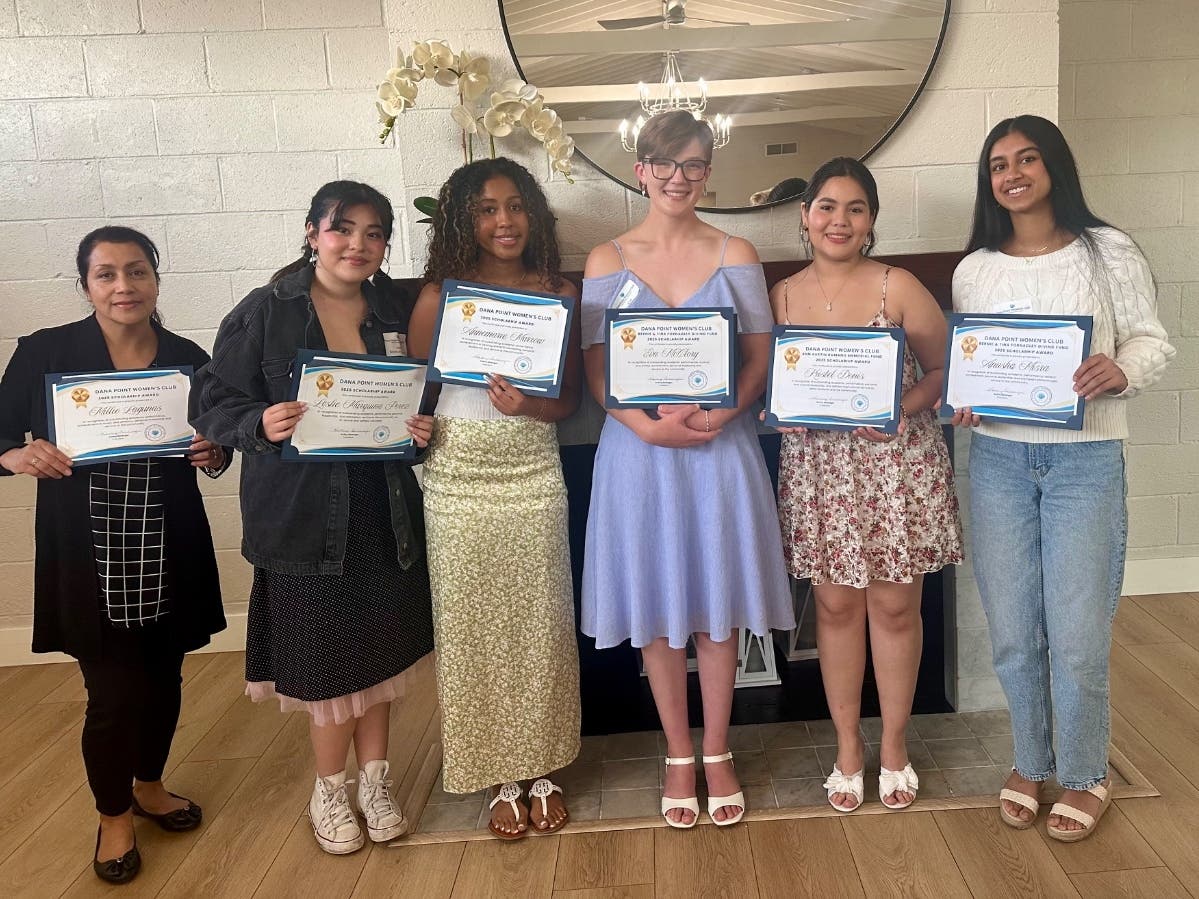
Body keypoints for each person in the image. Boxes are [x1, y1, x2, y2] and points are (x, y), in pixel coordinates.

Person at [190, 181, 435, 855]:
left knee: (381, 652)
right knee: (328, 662)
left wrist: (421, 428)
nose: (357, 244)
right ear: (311, 232)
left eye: (374, 232)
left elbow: (426, 393)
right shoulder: (266, 311)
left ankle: (375, 782)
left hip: (385, 507)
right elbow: (211, 400)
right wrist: (255, 422)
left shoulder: (396, 306)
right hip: (302, 514)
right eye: (342, 229)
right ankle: (329, 787)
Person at [951, 115, 1174, 841]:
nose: (1011, 173)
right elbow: (974, 359)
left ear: (1053, 167)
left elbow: (1150, 338)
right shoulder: (974, 266)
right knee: (1014, 630)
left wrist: (1122, 368)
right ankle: (1029, 760)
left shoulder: (1108, 251)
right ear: (988, 182)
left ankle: (1083, 772)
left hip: (1084, 460)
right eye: (996, 165)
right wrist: (964, 392)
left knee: (1076, 633)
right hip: (996, 462)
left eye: (1026, 158)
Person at [580, 110, 795, 829]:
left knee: (717, 601)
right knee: (656, 604)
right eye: (663, 164)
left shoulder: (735, 250)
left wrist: (722, 413)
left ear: (708, 171)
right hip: (635, 454)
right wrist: (641, 421)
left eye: (694, 165)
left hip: (718, 447)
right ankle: (676, 753)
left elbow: (760, 355)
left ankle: (716, 748)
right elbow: (593, 362)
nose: (678, 178)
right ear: (639, 169)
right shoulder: (605, 259)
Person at [0, 226, 228, 884]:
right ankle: (114, 814)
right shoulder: (46, 352)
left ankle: (149, 785)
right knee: (111, 692)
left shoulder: (189, 356)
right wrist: (15, 454)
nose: (123, 286)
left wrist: (215, 452)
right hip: (90, 550)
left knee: (165, 675)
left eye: (136, 271)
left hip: (169, 541)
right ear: (86, 285)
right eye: (106, 275)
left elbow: (218, 439)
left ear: (156, 278)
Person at [768, 158, 963, 813]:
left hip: (893, 471)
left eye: (854, 208)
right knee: (832, 611)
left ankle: (895, 746)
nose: (838, 220)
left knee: (894, 609)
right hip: (821, 476)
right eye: (825, 206)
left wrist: (901, 408)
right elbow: (772, 386)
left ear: (871, 220)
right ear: (804, 215)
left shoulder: (898, 286)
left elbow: (941, 369)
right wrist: (779, 409)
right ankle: (848, 747)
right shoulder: (782, 295)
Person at [408, 157, 582, 840]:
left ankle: (542, 769)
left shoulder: (559, 292)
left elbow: (567, 401)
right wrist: (413, 428)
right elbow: (416, 397)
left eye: (515, 206)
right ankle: (500, 776)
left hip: (532, 472)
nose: (504, 221)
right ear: (462, 220)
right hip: (456, 479)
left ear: (533, 214)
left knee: (541, 624)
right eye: (485, 209)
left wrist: (530, 405)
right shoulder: (438, 296)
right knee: (470, 630)